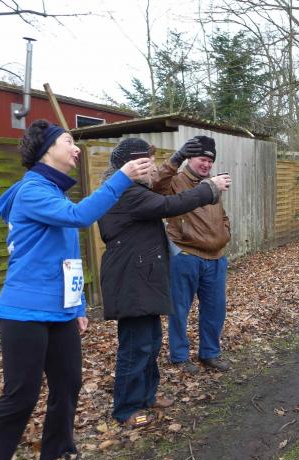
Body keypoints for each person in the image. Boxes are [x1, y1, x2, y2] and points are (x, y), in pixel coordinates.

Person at [0, 120, 152, 460]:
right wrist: (121, 177)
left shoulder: (53, 193)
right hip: (23, 312)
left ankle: (57, 458)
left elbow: (67, 257)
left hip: (59, 312)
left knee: (67, 384)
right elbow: (81, 217)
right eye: (69, 141)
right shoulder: (33, 191)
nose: (76, 148)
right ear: (46, 149)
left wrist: (77, 306)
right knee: (21, 395)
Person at [97, 139, 232, 428]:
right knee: (135, 347)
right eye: (147, 162)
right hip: (131, 280)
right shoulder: (126, 193)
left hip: (143, 278)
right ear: (131, 165)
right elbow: (170, 204)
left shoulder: (133, 190)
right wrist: (209, 188)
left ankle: (146, 396)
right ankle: (126, 409)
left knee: (151, 341)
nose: (152, 168)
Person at [152, 136, 232, 373]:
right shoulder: (176, 181)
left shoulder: (213, 183)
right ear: (190, 158)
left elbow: (221, 214)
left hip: (216, 257)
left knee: (215, 310)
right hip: (186, 255)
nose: (206, 164)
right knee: (180, 309)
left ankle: (210, 353)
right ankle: (179, 355)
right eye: (201, 159)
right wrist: (176, 158)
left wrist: (225, 231)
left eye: (210, 160)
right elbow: (156, 185)